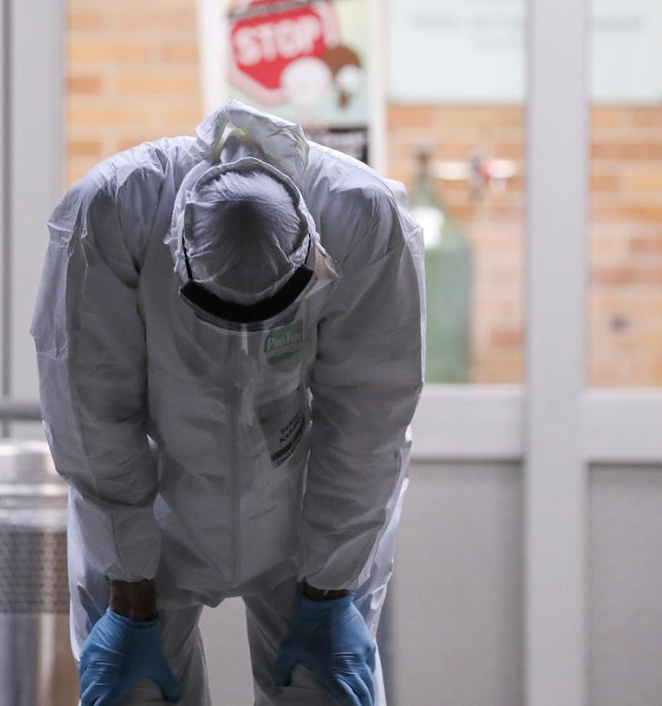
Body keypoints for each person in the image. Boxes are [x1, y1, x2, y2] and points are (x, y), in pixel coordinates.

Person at [32, 101, 424, 706]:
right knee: (137, 690)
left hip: (302, 503)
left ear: (312, 253)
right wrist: (130, 589)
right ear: (176, 255)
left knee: (320, 689)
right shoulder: (111, 212)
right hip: (156, 501)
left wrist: (329, 589)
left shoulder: (362, 216)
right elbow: (91, 413)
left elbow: (369, 416)